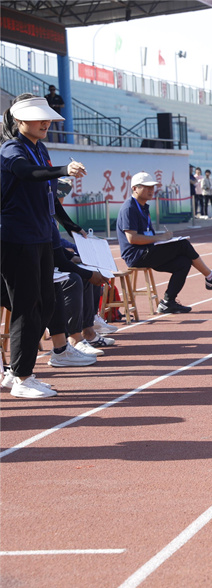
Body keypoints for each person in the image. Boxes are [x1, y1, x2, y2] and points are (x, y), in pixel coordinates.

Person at [0, 94, 86, 398]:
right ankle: (22, 377)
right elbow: (26, 173)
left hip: (40, 237)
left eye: (47, 116)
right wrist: (63, 170)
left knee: (46, 304)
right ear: (20, 121)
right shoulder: (12, 149)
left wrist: (67, 227)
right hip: (16, 238)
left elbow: (48, 195)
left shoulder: (40, 148)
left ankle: (17, 371)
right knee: (27, 307)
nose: (46, 121)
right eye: (38, 117)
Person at [116, 171, 212, 314]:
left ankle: (168, 302)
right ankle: (211, 277)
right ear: (134, 188)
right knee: (183, 245)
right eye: (146, 187)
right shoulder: (129, 208)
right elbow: (132, 238)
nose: (151, 190)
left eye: (152, 187)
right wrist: (160, 238)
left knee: (184, 262)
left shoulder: (143, 207)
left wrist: (162, 240)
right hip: (137, 256)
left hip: (148, 251)